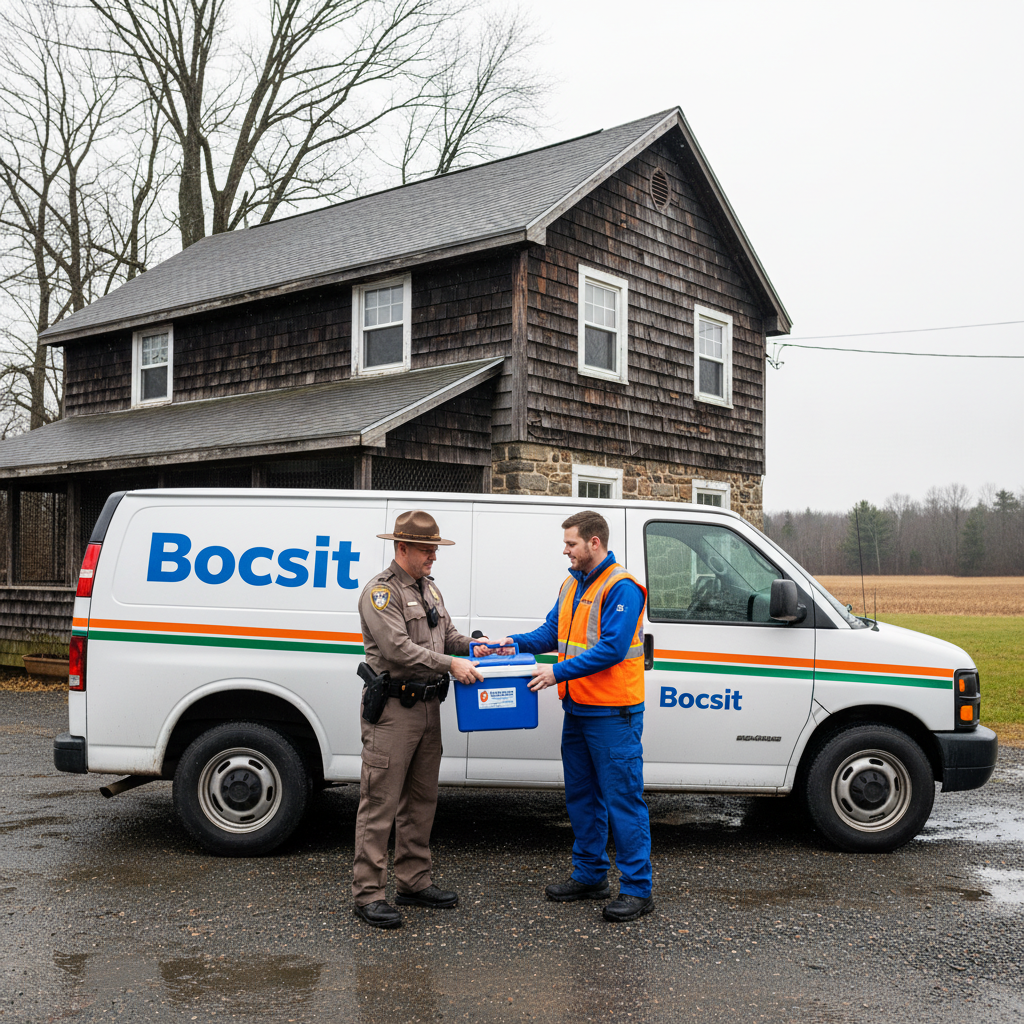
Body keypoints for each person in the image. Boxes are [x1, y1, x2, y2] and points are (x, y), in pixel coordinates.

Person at [494, 510, 653, 922]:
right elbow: (551, 633)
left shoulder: (622, 587)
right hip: (579, 711)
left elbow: (612, 649)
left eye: (571, 544)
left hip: (613, 715)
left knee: (623, 801)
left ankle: (638, 890)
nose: (565, 551)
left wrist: (556, 672)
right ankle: (590, 875)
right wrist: (512, 644)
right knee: (582, 798)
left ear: (594, 543)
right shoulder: (571, 584)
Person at [352, 510, 486, 929]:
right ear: (402, 547)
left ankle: (413, 881)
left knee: (421, 801)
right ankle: (369, 894)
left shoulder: (429, 589)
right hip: (393, 712)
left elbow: (445, 636)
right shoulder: (381, 593)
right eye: (427, 550)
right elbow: (396, 649)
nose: (433, 557)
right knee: (380, 804)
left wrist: (474, 648)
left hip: (429, 708)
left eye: (435, 549)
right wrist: (451, 664)